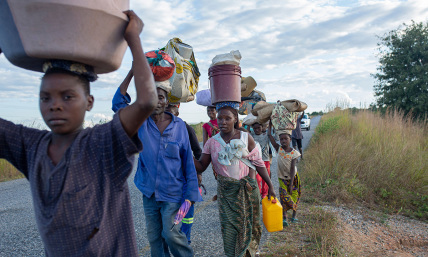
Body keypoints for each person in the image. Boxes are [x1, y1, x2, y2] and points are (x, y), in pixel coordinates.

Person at [0, 11, 156, 256]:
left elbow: (146, 101)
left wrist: (133, 37)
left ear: (89, 102)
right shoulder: (31, 147)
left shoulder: (104, 143)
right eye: (45, 97)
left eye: (68, 96)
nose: (55, 105)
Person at [112, 67, 199, 256]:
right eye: (151, 96)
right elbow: (118, 104)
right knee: (154, 239)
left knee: (171, 234)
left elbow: (188, 164)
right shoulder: (141, 123)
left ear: (167, 101)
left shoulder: (180, 127)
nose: (156, 101)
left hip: (175, 196)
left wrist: (190, 196)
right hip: (150, 194)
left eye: (160, 96)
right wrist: (132, 73)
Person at [194, 102, 276, 257]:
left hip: (247, 190)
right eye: (220, 118)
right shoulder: (212, 142)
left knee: (249, 227)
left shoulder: (246, 138)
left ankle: (247, 254)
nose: (223, 122)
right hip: (226, 194)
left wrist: (270, 186)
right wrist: (185, 153)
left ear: (235, 119)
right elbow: (201, 166)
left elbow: (258, 163)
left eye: (227, 118)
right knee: (230, 229)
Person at [166, 103, 202, 245]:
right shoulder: (160, 129)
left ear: (178, 113)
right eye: (166, 113)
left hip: (187, 178)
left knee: (187, 210)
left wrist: (198, 174)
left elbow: (198, 151)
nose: (168, 116)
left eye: (172, 113)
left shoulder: (186, 128)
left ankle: (185, 238)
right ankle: (173, 236)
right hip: (170, 179)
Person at [268, 121, 301, 227]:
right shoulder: (279, 149)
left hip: (293, 179)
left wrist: (291, 183)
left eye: (285, 139)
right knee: (283, 197)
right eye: (281, 139)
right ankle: (284, 217)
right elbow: (270, 136)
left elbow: (292, 168)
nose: (283, 141)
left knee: (294, 197)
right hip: (282, 178)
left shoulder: (294, 153)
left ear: (290, 139)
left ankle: (294, 215)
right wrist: (270, 123)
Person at [251, 122, 271, 200]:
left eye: (258, 128)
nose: (257, 130)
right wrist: (249, 125)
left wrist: (270, 124)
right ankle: (258, 194)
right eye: (255, 128)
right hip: (256, 161)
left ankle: (264, 194)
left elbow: (270, 132)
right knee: (258, 179)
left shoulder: (266, 135)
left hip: (265, 160)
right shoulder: (252, 136)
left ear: (262, 127)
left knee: (265, 179)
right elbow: (247, 132)